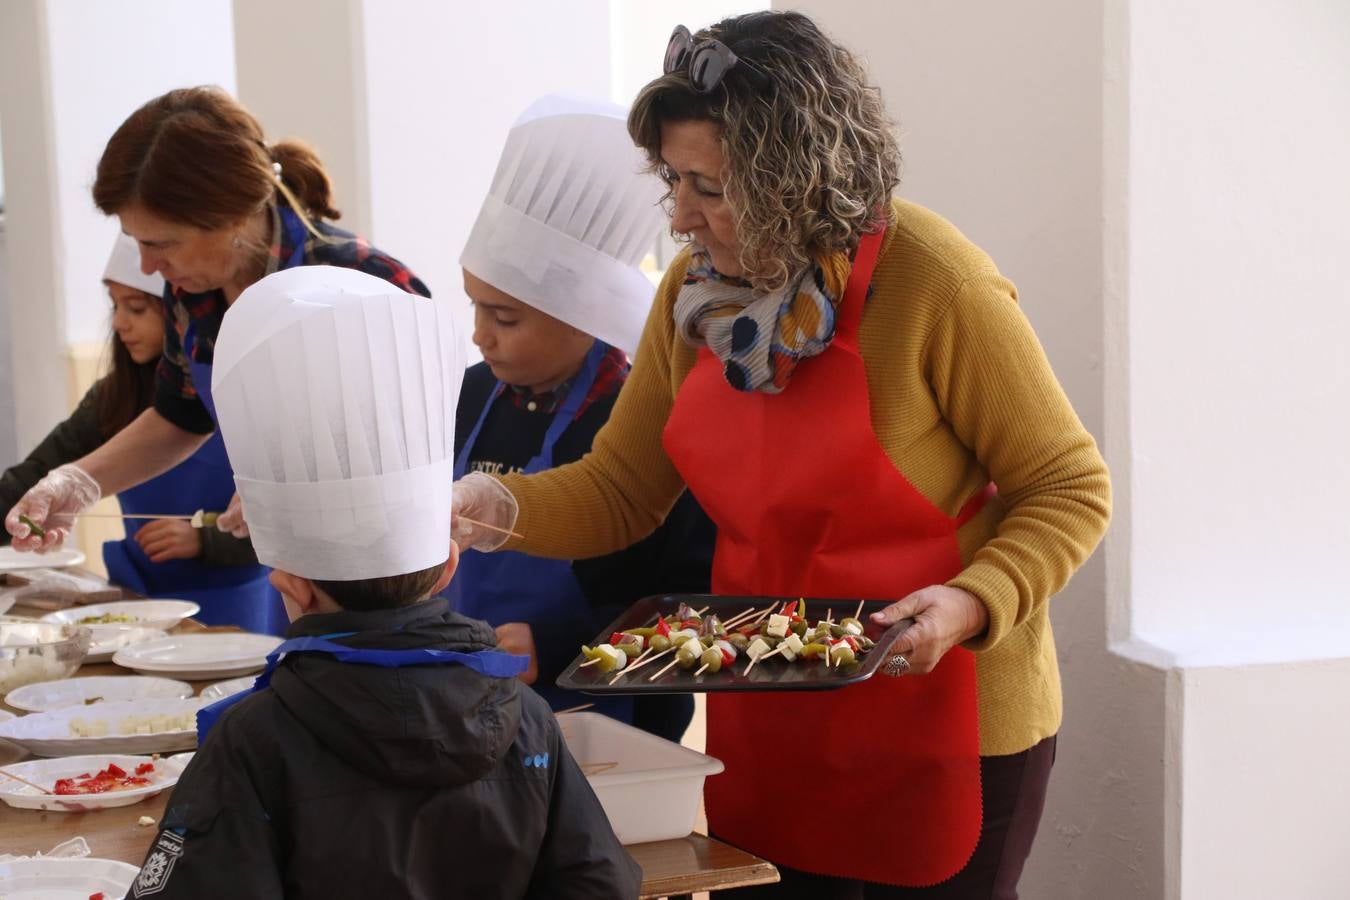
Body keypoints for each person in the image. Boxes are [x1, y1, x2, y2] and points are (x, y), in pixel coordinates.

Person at [451, 11, 1112, 898]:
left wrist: (969, 602)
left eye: (710, 188)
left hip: (943, 711)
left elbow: (1068, 486)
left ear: (798, 179)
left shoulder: (935, 282)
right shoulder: (693, 298)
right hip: (772, 714)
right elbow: (621, 489)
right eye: (673, 181)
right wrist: (494, 507)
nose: (680, 216)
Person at [130, 266, 639, 900]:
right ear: (450, 565)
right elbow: (599, 882)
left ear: (291, 585)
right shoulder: (527, 719)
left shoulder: (253, 736)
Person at [4, 86, 430, 600]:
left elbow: (419, 448)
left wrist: (306, 485)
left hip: (379, 584)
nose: (147, 266)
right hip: (286, 578)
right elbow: (180, 415)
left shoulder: (364, 282)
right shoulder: (191, 294)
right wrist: (80, 481)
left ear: (230, 217)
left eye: (159, 243)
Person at [453, 94, 715, 741]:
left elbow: (691, 609)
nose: (480, 336)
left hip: (610, 733)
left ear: (582, 312)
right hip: (468, 718)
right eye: (475, 309)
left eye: (505, 318)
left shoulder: (635, 419)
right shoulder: (467, 396)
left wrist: (562, 642)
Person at [0, 234, 278, 629]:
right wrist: (36, 502)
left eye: (136, 308)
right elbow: (36, 476)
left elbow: (285, 514)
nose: (119, 323)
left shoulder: (238, 393)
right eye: (115, 306)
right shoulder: (114, 398)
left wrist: (206, 540)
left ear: (181, 314)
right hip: (138, 597)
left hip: (236, 601)